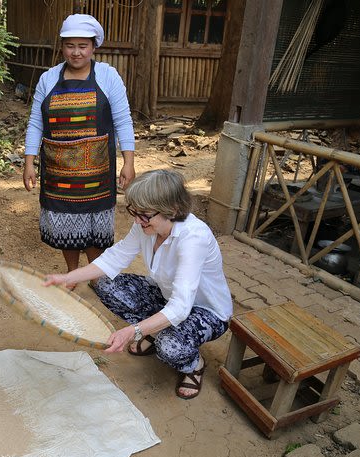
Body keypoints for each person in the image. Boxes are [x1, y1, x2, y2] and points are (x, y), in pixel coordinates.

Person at [44, 170, 233, 399]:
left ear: (171, 210)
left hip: (206, 311)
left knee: (170, 346)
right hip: (167, 297)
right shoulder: (147, 225)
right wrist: (68, 277)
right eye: (134, 211)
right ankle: (157, 329)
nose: (137, 220)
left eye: (144, 214)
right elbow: (115, 257)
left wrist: (132, 331)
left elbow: (181, 307)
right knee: (105, 285)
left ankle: (193, 365)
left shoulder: (194, 238)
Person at [23, 14, 135, 280]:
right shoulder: (48, 79)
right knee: (64, 229)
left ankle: (93, 277)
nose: (76, 52)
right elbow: (36, 123)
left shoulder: (108, 76)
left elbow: (123, 120)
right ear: (62, 47)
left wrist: (129, 161)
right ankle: (72, 274)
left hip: (97, 173)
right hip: (58, 172)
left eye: (82, 46)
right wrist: (28, 162)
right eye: (70, 45)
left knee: (95, 228)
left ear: (94, 46)